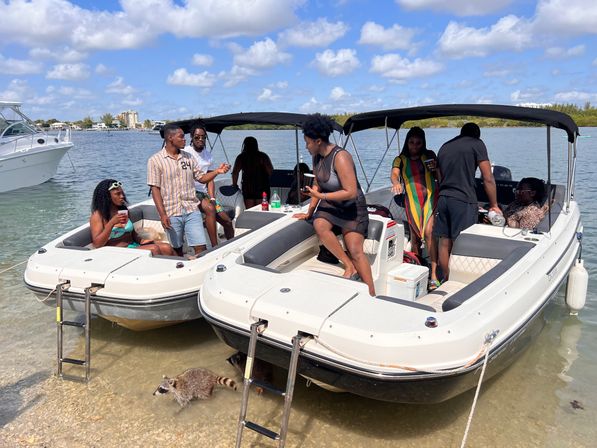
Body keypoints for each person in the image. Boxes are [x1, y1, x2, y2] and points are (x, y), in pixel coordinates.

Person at [293, 113, 375, 296]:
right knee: (319, 223)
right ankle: (349, 266)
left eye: (308, 142)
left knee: (355, 249)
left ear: (318, 141)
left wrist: (321, 195)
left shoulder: (341, 157)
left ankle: (371, 293)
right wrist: (310, 210)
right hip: (332, 205)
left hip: (352, 207)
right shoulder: (316, 157)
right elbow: (317, 184)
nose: (306, 146)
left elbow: (351, 191)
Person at [147, 124, 230, 257]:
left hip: (192, 209)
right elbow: (155, 189)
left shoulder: (188, 157)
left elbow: (202, 178)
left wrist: (217, 172)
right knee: (177, 249)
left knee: (201, 248)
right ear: (170, 138)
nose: (185, 140)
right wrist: (162, 214)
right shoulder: (155, 160)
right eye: (181, 137)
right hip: (171, 211)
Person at [434, 122, 502, 281]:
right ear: (477, 135)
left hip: (443, 199)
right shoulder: (477, 144)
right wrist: (494, 205)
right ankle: (459, 280)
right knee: (462, 241)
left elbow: (439, 177)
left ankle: (444, 278)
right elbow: (488, 177)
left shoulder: (445, 146)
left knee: (444, 241)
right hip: (463, 199)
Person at [390, 127, 440, 289]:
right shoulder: (401, 159)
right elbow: (394, 174)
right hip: (412, 201)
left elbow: (439, 176)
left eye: (418, 143)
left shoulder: (429, 155)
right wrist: (396, 183)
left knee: (429, 233)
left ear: (423, 143)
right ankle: (417, 269)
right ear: (407, 142)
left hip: (431, 198)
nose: (415, 146)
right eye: (411, 142)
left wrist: (436, 169)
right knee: (415, 237)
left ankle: (434, 274)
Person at [89, 179, 175, 256]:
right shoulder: (98, 216)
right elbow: (97, 244)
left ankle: (180, 268)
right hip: (116, 252)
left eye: (122, 193)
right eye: (117, 194)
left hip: (132, 246)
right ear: (107, 197)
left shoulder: (123, 210)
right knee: (153, 249)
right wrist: (111, 223)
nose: (122, 196)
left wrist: (142, 241)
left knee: (166, 247)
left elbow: (132, 235)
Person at [184, 124, 234, 247]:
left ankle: (231, 246)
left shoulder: (208, 155)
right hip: (191, 192)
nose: (200, 140)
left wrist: (212, 198)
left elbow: (210, 179)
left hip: (204, 193)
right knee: (210, 209)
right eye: (197, 137)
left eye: (203, 137)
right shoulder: (185, 153)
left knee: (227, 221)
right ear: (191, 137)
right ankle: (215, 247)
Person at [231, 136, 274, 209]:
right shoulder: (263, 156)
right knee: (263, 211)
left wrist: (234, 185)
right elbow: (271, 172)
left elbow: (235, 172)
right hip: (263, 187)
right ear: (256, 145)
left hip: (248, 187)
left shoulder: (241, 157)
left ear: (244, 145)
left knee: (250, 210)